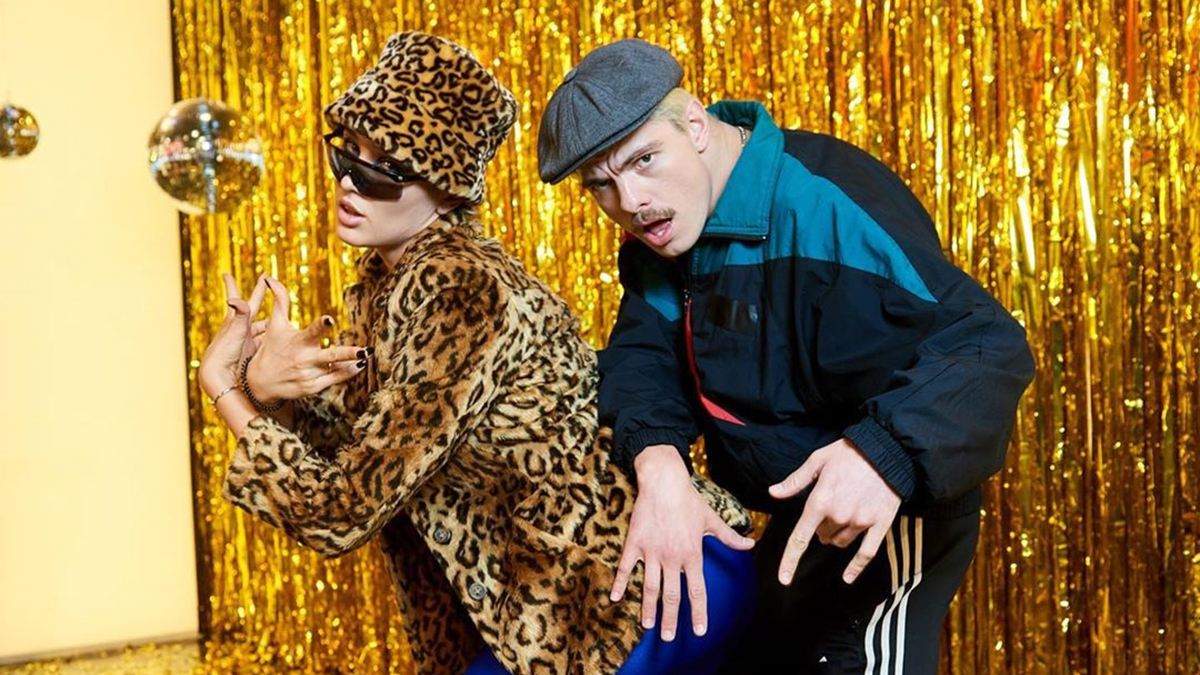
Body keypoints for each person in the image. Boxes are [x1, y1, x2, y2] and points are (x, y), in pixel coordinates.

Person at [196, 31, 757, 675]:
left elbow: (344, 506)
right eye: (346, 155)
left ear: (445, 188)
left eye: (384, 169)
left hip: (639, 597)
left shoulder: (462, 293)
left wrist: (225, 387)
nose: (351, 183)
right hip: (559, 613)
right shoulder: (387, 286)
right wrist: (267, 389)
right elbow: (365, 451)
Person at [536, 39, 1036, 673]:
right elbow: (643, 355)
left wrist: (883, 455)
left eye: (644, 160)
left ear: (694, 125)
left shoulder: (827, 206)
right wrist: (659, 463)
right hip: (795, 515)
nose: (630, 202)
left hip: (891, 511)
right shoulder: (665, 231)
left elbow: (986, 343)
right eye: (601, 186)